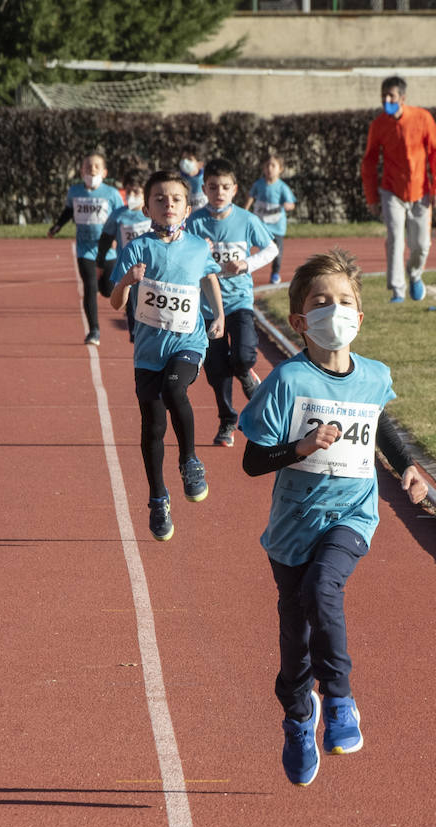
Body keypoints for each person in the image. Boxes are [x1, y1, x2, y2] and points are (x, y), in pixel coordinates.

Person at [237, 248, 428, 786]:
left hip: (351, 516)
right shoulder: (287, 381)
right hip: (291, 528)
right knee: (294, 638)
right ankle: (300, 717)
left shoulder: (373, 376)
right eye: (322, 302)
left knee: (325, 589)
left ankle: (340, 701)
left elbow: (379, 422)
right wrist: (297, 449)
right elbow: (253, 461)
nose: (334, 310)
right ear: (300, 321)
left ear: (359, 318)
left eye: (344, 301)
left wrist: (408, 467)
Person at [108, 170, 226, 541]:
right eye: (159, 198)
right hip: (148, 352)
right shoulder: (136, 249)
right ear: (147, 208)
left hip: (187, 343)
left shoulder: (197, 246)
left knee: (177, 391)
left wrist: (219, 313)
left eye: (175, 198)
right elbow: (114, 302)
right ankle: (158, 497)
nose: (168, 204)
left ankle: (190, 461)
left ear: (188, 208)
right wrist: (127, 282)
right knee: (153, 425)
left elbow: (208, 278)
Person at [186, 158, 279, 448]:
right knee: (215, 367)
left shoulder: (247, 220)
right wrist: (200, 252)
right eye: (213, 187)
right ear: (204, 188)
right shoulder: (195, 222)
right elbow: (182, 255)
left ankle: (244, 372)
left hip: (239, 301)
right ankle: (227, 419)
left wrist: (247, 264)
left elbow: (271, 248)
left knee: (243, 356)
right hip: (207, 308)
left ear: (235, 189)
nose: (219, 193)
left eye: (225, 187)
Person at [360, 75, 436, 304]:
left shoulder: (422, 118)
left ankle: (415, 275)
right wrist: (372, 196)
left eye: (391, 96)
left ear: (402, 98)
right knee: (395, 238)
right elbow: (369, 161)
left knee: (421, 244)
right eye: (384, 96)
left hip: (421, 191)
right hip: (391, 192)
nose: (387, 100)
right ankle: (397, 290)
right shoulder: (379, 125)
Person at [48, 152, 124, 345]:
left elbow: (122, 218)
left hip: (108, 250)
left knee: (107, 291)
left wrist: (119, 238)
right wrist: (57, 226)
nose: (92, 170)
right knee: (89, 288)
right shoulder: (75, 191)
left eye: (96, 166)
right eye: (87, 166)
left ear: (104, 172)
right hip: (85, 249)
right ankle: (94, 331)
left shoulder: (112, 194)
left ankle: (104, 287)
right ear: (81, 171)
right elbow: (68, 211)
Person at [95, 168, 152, 341]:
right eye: (129, 191)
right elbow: (105, 239)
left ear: (145, 192)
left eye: (136, 191)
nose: (132, 195)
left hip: (152, 270)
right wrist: (99, 264)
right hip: (128, 270)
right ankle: (135, 334)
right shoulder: (118, 215)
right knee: (132, 304)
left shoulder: (152, 213)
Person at [246, 154, 296, 284]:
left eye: (273, 165)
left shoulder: (282, 187)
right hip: (260, 224)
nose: (269, 168)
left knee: (277, 251)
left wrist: (287, 205)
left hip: (276, 226)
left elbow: (291, 204)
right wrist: (245, 210)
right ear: (263, 168)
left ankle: (275, 273)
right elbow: (251, 196)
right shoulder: (259, 184)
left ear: (280, 169)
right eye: (267, 165)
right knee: (247, 244)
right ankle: (245, 268)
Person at [178, 144, 207, 212]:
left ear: (200, 164)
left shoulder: (207, 179)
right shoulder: (177, 180)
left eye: (189, 159)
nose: (185, 162)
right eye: (183, 158)